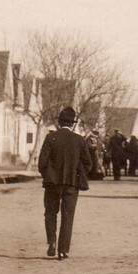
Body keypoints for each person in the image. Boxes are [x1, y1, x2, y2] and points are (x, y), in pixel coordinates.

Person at [37, 106, 93, 260]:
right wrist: (77, 175)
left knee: (50, 213)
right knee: (68, 216)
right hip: (71, 184)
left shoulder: (50, 138)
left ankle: (51, 241)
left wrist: (48, 176)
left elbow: (42, 162)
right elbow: (88, 163)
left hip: (52, 184)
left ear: (59, 122)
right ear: (73, 124)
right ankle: (63, 250)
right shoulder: (79, 140)